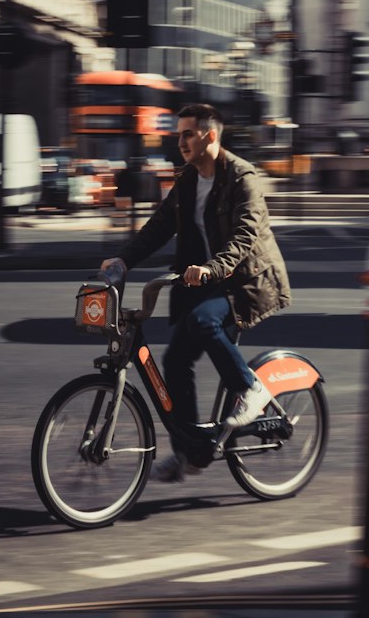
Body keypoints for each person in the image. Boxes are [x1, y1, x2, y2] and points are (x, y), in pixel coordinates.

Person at [100, 103, 291, 483]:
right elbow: (158, 227)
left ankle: (251, 388)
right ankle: (191, 453)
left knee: (204, 323)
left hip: (241, 281)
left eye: (188, 134)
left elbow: (244, 238)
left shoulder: (242, 178)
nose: (181, 141)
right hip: (201, 282)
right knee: (173, 363)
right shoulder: (187, 180)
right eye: (179, 134)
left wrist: (211, 269)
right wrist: (122, 260)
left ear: (210, 135)